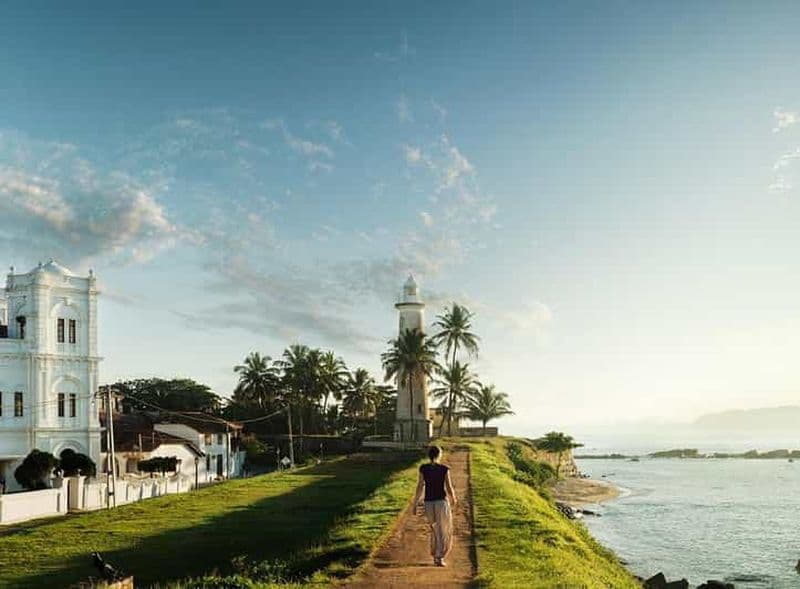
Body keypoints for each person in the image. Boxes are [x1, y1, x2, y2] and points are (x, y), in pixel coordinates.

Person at [413, 445, 457, 567]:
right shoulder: (444, 469)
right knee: (443, 529)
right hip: (441, 502)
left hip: (428, 502)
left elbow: (420, 486)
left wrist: (415, 503)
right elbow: (448, 487)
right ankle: (439, 556)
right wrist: (453, 498)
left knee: (435, 529)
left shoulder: (423, 468)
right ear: (439, 455)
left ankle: (436, 555)